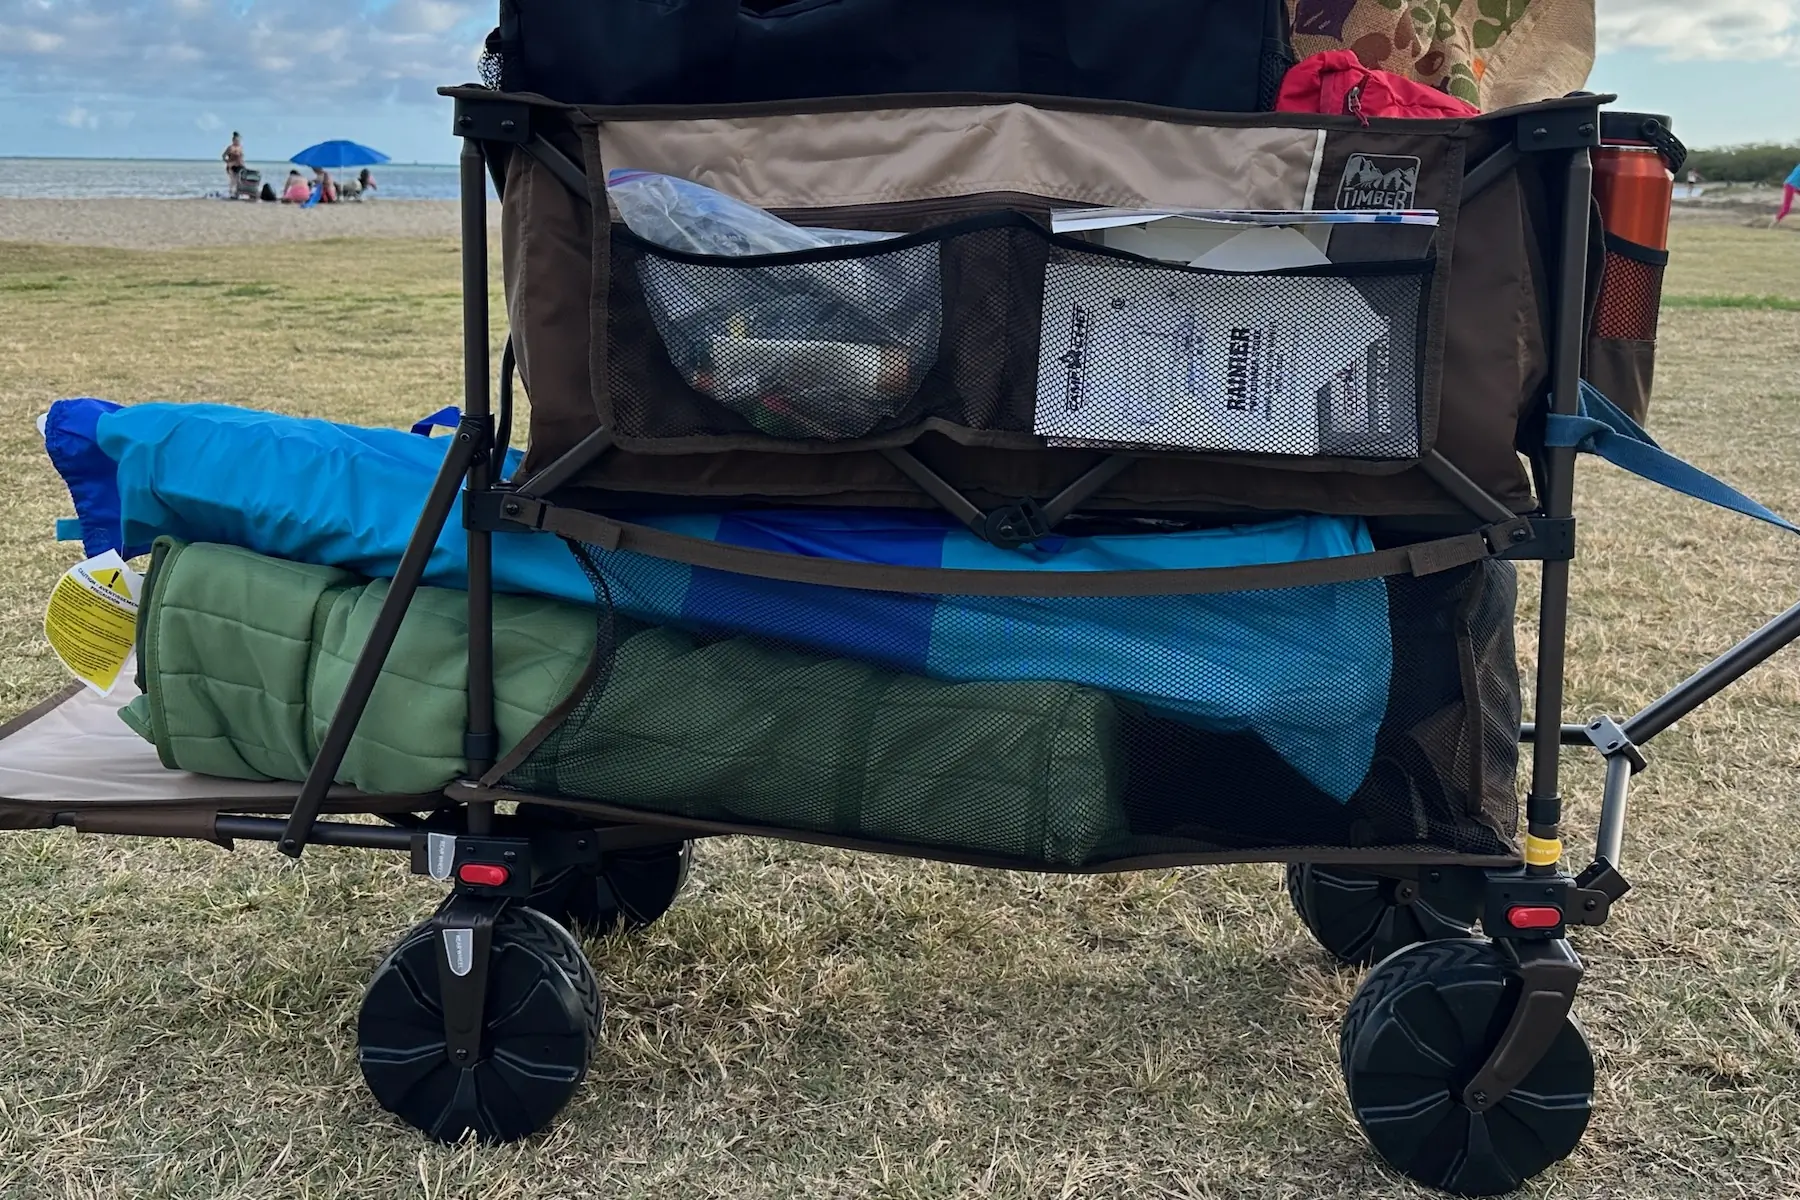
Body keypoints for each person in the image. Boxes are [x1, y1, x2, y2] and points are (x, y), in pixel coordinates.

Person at [1775, 161, 1800, 226]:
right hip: (1790, 186)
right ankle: (1772, 225)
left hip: (1793, 185)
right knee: (1786, 209)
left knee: (1786, 209)